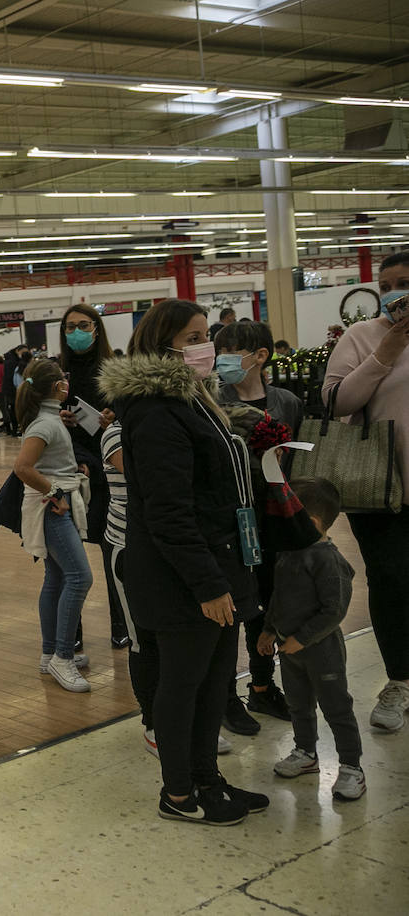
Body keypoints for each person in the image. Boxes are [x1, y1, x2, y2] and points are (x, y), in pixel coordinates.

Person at [99, 298, 266, 827]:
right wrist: (208, 584)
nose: (205, 346)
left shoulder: (193, 401)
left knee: (214, 681)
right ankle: (179, 792)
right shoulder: (154, 411)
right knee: (183, 684)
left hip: (216, 563)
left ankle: (207, 779)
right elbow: (168, 514)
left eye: (205, 335)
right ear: (162, 346)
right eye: (192, 337)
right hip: (184, 577)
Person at [321, 249, 409, 732]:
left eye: (405, 282)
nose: (395, 291)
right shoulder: (361, 336)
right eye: (387, 283)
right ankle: (400, 679)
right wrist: (385, 354)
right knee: (392, 583)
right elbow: (336, 402)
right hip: (379, 487)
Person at [214, 319, 303, 732]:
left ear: (260, 356)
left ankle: (263, 686)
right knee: (236, 604)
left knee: (270, 600)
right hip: (233, 519)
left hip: (275, 518)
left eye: (231, 352)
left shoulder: (285, 401)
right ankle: (225, 695)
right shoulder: (213, 398)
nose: (222, 361)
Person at [259, 477, 364, 801]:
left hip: (322, 651)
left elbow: (334, 610)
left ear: (312, 521)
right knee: (298, 705)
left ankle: (351, 767)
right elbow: (279, 596)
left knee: (336, 707)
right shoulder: (289, 551)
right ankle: (306, 753)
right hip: (290, 649)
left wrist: (301, 639)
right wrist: (268, 629)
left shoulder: (328, 560)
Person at [13, 360, 93, 692]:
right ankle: (62, 655)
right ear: (55, 387)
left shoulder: (48, 420)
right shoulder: (43, 425)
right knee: (79, 577)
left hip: (55, 504)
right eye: (63, 379)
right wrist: (56, 491)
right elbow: (23, 467)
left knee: (57, 576)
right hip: (53, 509)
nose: (67, 383)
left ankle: (50, 653)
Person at [57, 302, 128, 651]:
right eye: (69, 327)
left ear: (97, 328)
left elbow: (128, 420)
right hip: (66, 473)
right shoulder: (58, 373)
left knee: (110, 551)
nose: (76, 333)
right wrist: (60, 419)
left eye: (82, 325)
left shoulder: (113, 371)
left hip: (104, 473)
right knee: (68, 561)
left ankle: (120, 623)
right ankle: (73, 632)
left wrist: (110, 422)